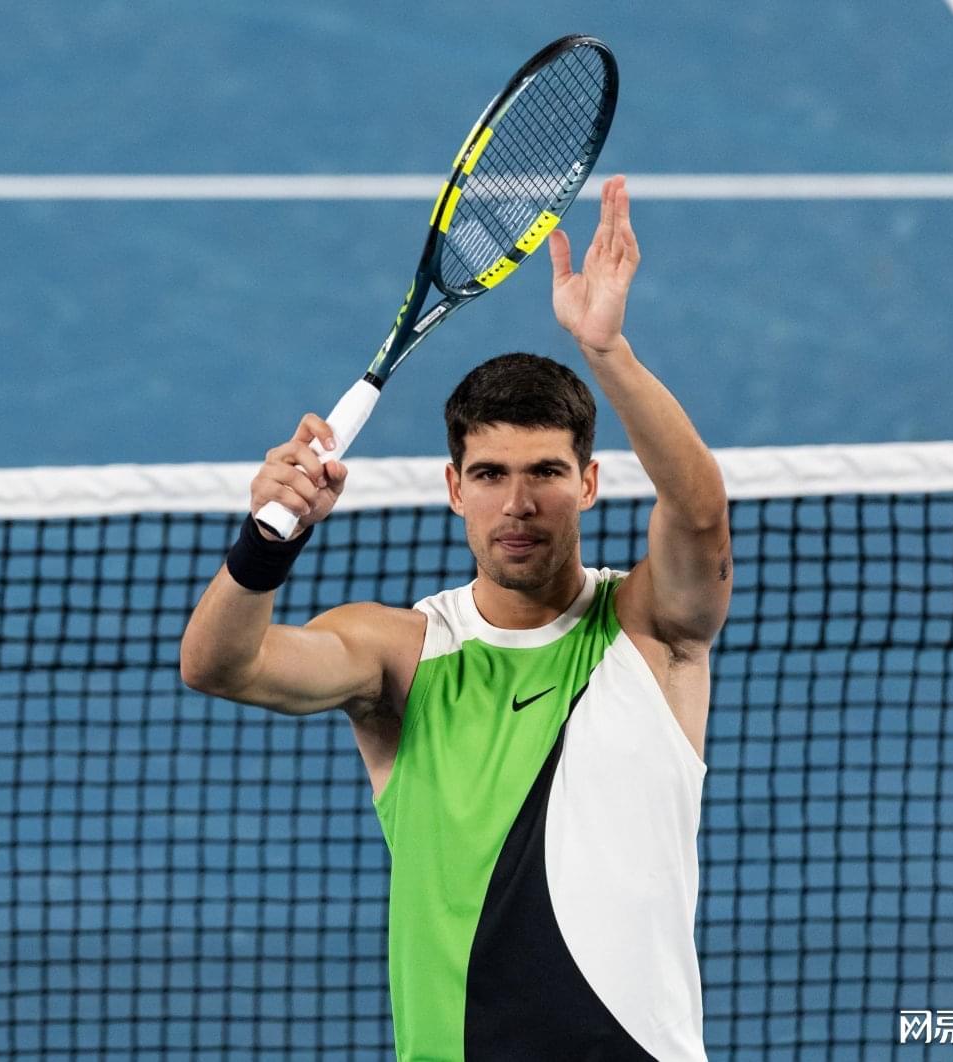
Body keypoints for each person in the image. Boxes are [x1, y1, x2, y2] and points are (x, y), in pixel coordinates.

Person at [180, 175, 731, 1061]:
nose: (518, 504)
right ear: (453, 488)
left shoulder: (652, 630)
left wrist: (608, 352)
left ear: (589, 483)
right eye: (490, 475)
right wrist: (268, 540)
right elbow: (220, 665)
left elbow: (699, 514)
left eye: (546, 472)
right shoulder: (398, 654)